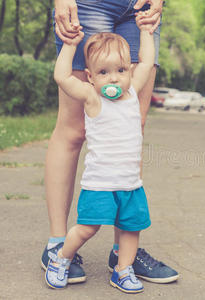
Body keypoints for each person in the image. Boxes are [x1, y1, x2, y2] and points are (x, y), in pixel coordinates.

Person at [41, 0, 178, 284]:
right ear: (91, 78)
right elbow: (62, 76)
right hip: (89, 3)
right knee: (73, 129)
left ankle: (123, 260)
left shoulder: (131, 85)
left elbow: (145, 62)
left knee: (135, 122)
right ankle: (59, 247)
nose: (114, 79)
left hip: (140, 8)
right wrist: (70, 44)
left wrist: (148, 30)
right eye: (103, 73)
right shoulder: (91, 94)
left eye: (120, 71)